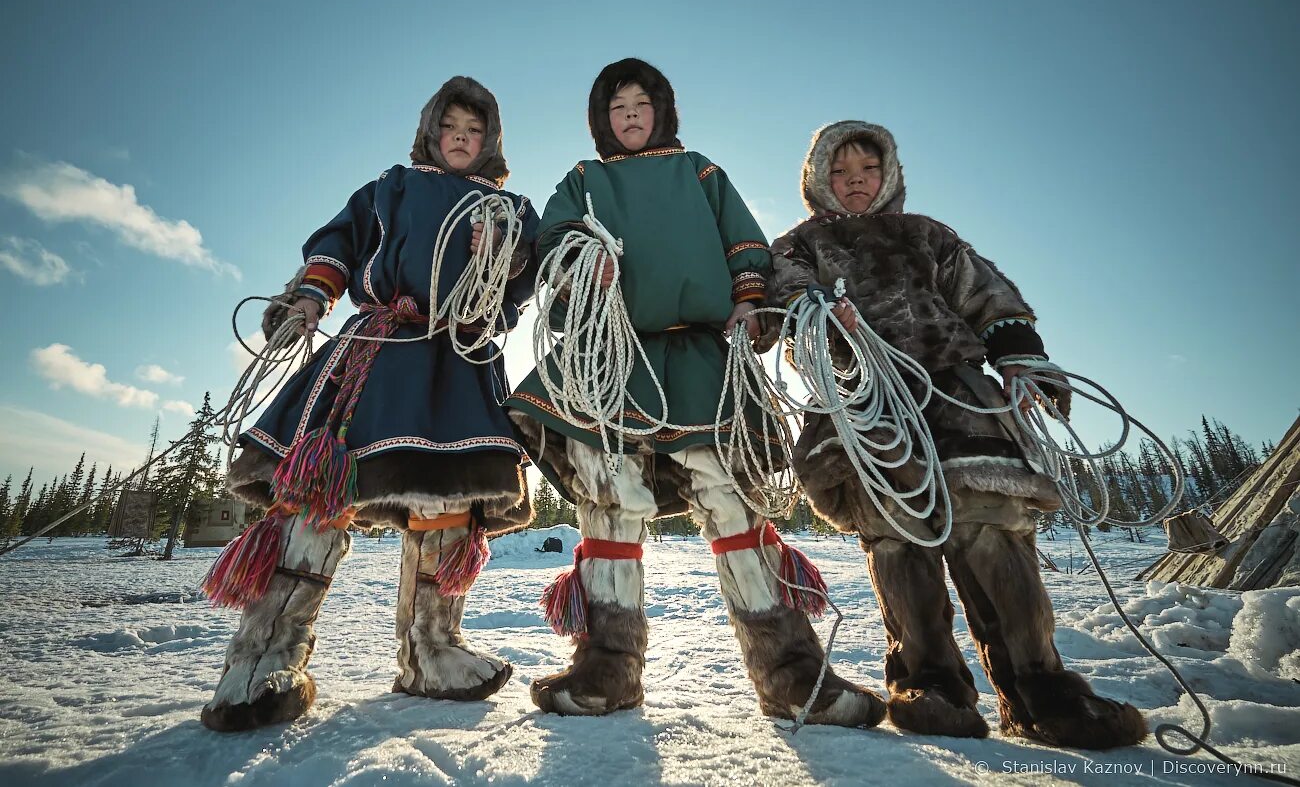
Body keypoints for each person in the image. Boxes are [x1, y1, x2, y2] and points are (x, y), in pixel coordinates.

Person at [506, 59, 885, 727]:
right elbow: (554, 241)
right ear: (601, 119)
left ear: (661, 111)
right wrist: (578, 257)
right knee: (607, 496)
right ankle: (607, 667)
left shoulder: (701, 172)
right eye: (616, 106)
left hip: (698, 353)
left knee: (732, 499)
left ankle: (791, 671)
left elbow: (746, 245)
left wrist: (748, 302)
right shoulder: (584, 179)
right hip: (608, 355)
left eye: (640, 103)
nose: (629, 114)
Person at [759, 120, 1147, 748]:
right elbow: (784, 295)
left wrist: (1019, 353)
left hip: (958, 398)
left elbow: (986, 295)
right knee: (896, 535)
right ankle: (929, 682)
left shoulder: (927, 236)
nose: (854, 184)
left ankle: (1039, 689)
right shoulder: (801, 245)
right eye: (839, 173)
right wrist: (820, 313)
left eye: (867, 171)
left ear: (889, 176)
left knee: (990, 527)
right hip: (867, 403)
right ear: (816, 181)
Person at [200, 76, 538, 732]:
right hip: (378, 348)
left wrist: (504, 256)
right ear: (431, 134)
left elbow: (520, 282)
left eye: (474, 131)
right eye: (451, 129)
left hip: (457, 356)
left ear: (489, 140)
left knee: (447, 505)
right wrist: (306, 299)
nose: (461, 139)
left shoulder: (511, 210)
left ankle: (431, 650)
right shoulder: (390, 188)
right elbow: (338, 246)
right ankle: (265, 654)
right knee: (320, 491)